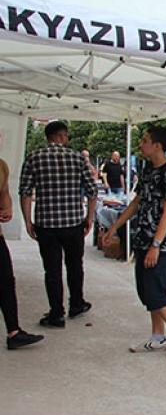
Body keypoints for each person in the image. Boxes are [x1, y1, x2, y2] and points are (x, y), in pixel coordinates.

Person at [101, 126, 166, 359]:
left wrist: (156, 245)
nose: (141, 144)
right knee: (146, 291)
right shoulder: (149, 170)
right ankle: (157, 336)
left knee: (156, 290)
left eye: (145, 140)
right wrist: (114, 228)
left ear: (157, 145)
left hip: (161, 243)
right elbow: (135, 203)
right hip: (143, 239)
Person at [19, 121, 97, 329]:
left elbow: (25, 192)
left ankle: (56, 313)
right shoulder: (78, 158)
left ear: (48, 136)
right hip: (73, 223)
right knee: (75, 265)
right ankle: (77, 303)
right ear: (61, 136)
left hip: (46, 224)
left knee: (52, 270)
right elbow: (92, 191)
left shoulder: (34, 157)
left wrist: (27, 221)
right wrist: (89, 217)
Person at [1, 157, 45, 349]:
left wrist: (7, 207)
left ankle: (14, 332)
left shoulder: (2, 165)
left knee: (6, 281)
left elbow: (4, 193)